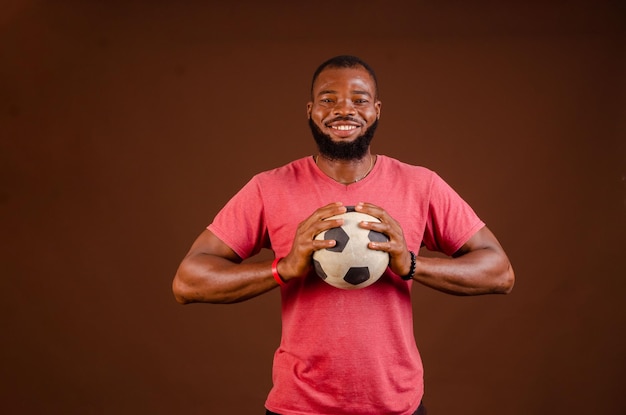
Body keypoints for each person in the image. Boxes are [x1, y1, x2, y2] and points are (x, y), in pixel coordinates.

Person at [173, 55, 515, 415]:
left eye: (359, 99)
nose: (344, 109)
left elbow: (500, 272)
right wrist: (282, 269)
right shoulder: (270, 188)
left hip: (396, 406)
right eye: (328, 99)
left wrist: (411, 264)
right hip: (299, 407)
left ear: (377, 110)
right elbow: (187, 281)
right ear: (310, 110)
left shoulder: (420, 185)